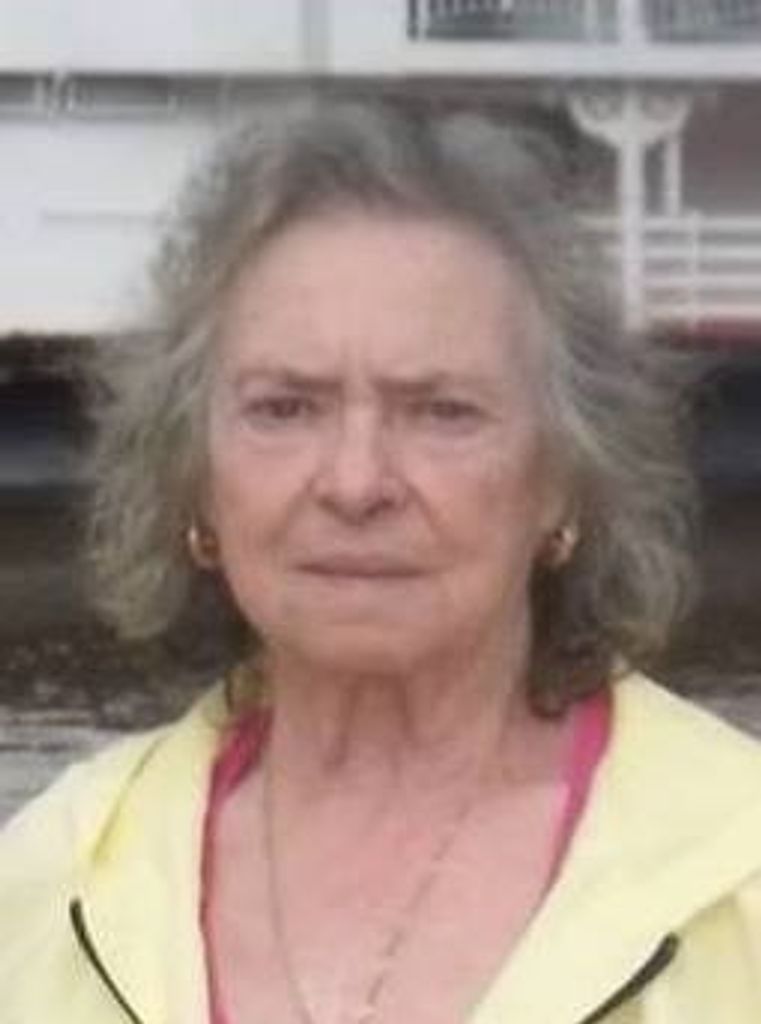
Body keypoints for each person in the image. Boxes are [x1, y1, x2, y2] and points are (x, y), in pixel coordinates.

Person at [3, 94, 761, 1024]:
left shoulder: (738, 874)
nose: (356, 482)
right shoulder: (51, 878)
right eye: (285, 408)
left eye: (441, 412)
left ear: (562, 481)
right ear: (195, 477)